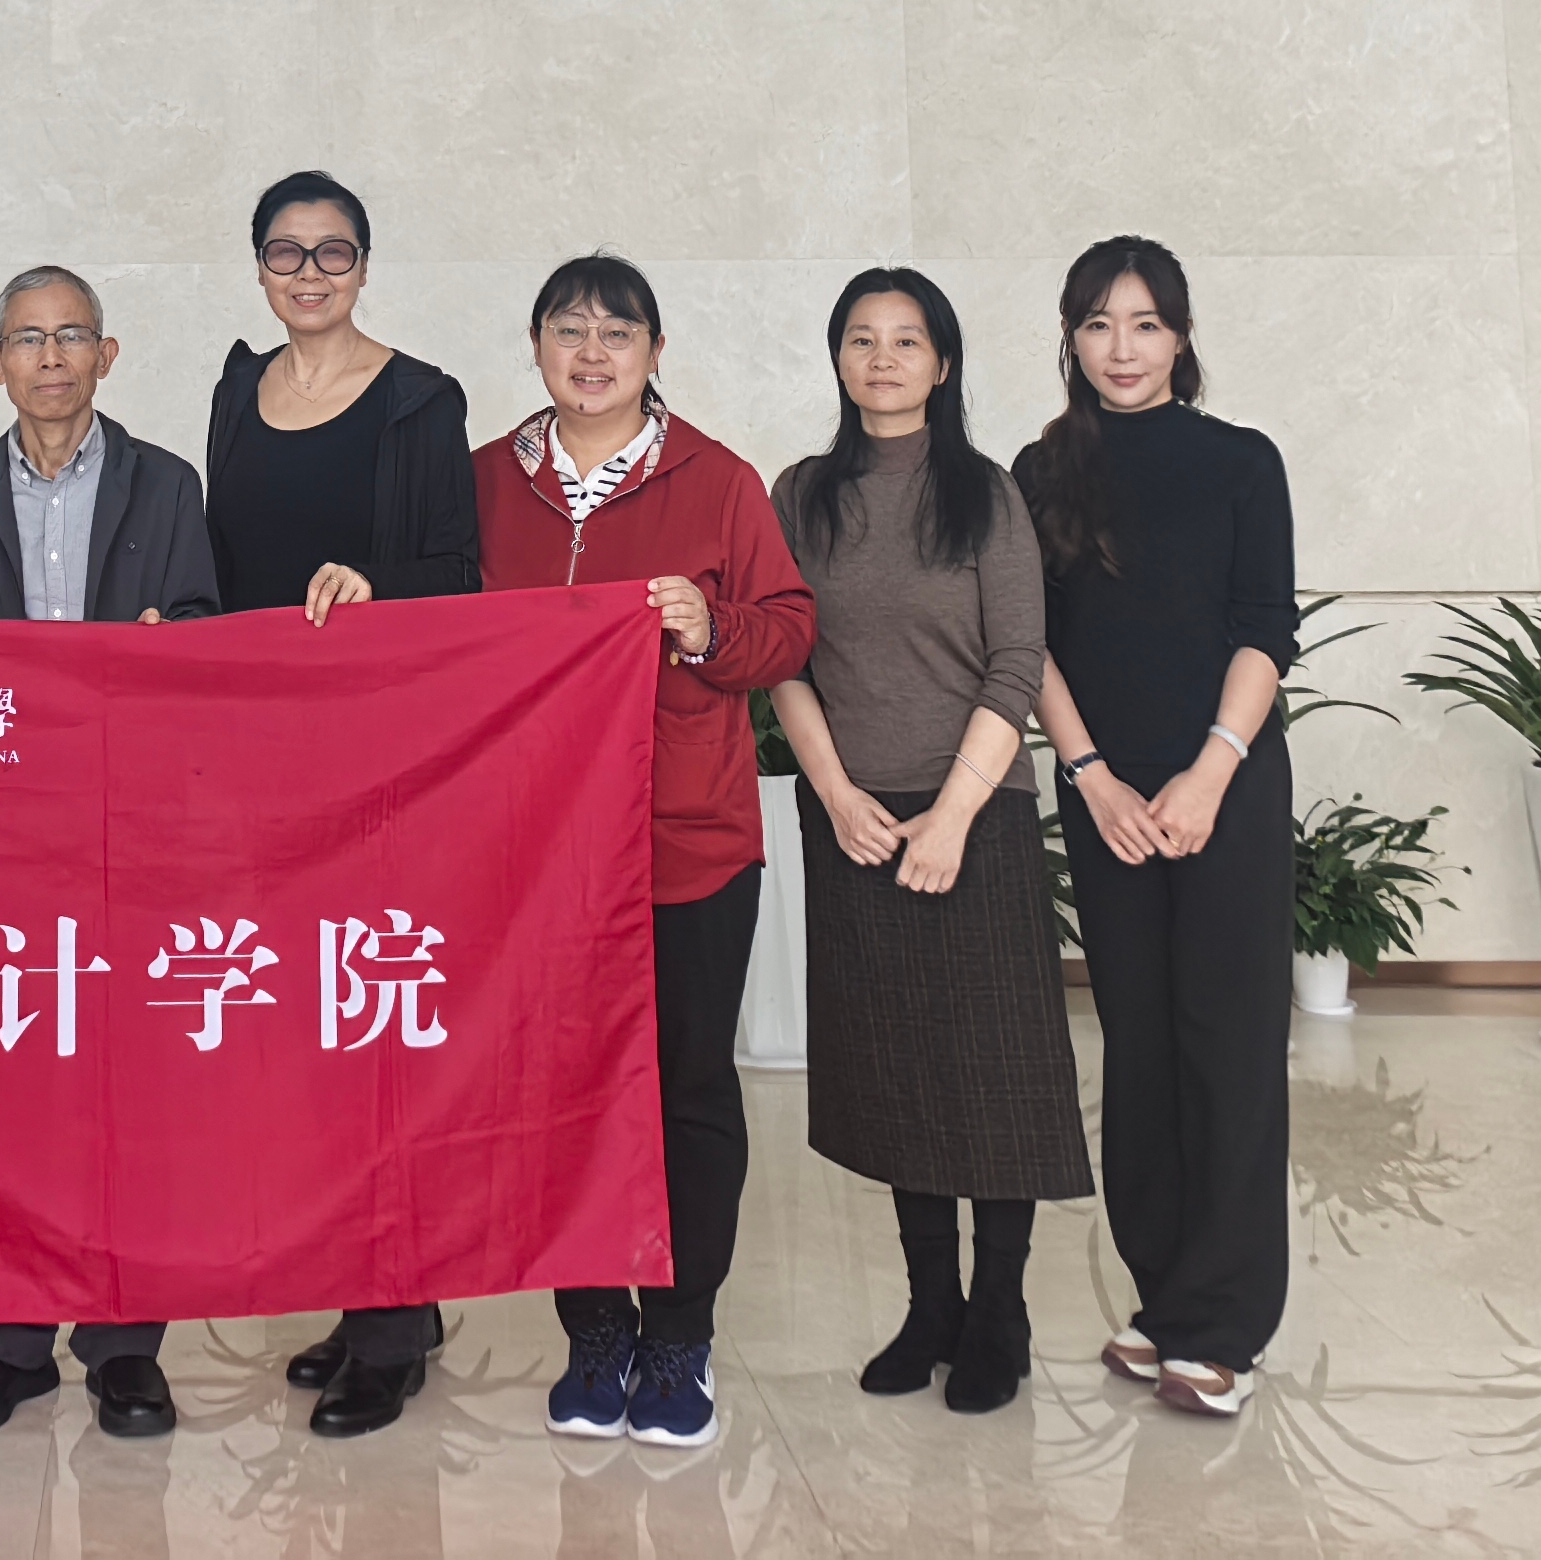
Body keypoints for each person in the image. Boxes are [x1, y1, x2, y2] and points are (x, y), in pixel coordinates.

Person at [472, 253, 814, 1453]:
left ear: (654, 354)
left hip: (686, 843)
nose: (592, 353)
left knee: (685, 1092)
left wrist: (710, 627)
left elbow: (788, 632)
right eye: (569, 330)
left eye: (617, 333)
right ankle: (593, 1329)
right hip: (535, 855)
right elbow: (433, 629)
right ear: (535, 346)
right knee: (556, 1093)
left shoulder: (717, 481)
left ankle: (677, 1333)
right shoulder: (483, 483)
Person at [766, 269, 1090, 1415]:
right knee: (894, 1070)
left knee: (995, 1074)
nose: (883, 358)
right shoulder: (800, 495)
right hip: (853, 818)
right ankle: (928, 1307)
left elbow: (1015, 663)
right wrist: (835, 795)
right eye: (861, 338)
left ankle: (999, 1309)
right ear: (837, 359)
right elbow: (784, 658)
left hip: (977, 815)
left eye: (907, 341)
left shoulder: (983, 493)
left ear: (942, 365)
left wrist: (951, 816)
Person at [0, 263, 219, 1442]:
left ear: (107, 355)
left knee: (127, 1091)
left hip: (128, 826)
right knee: (5, 1088)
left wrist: (163, 645)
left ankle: (124, 1345)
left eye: (71, 335)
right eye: (28, 339)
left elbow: (203, 633)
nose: (50, 357)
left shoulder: (167, 484)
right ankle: (6, 1343)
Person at [200, 168, 479, 1439]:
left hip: (379, 760)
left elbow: (456, 572)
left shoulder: (422, 399)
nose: (307, 274)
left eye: (332, 253)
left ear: (365, 266)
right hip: (262, 761)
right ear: (258, 265)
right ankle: (374, 1289)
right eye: (285, 252)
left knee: (378, 1027)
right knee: (308, 1037)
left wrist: (372, 582)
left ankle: (391, 1326)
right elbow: (220, 568)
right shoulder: (234, 392)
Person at [1020, 237, 1297, 1421]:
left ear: (1180, 336)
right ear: (1070, 339)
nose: (1120, 349)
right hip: (1107, 798)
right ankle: (1164, 1300)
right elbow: (1026, 641)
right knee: (1135, 1046)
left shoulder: (1241, 461)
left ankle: (1224, 1325)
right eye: (1096, 325)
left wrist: (1207, 774)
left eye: (1143, 324)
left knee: (1226, 1043)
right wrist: (1089, 777)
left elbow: (1264, 628)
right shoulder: (1043, 470)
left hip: (1223, 787)